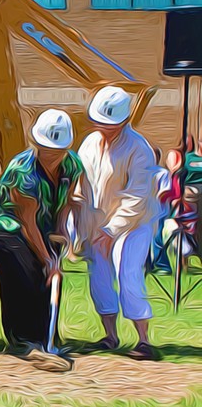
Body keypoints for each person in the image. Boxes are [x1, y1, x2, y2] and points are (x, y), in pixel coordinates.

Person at [0, 109, 84, 353]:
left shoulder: (73, 165)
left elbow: (66, 202)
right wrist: (48, 259)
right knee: (26, 271)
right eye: (44, 149)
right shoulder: (22, 170)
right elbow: (27, 221)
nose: (49, 155)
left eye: (55, 151)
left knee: (49, 277)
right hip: (3, 227)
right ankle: (23, 340)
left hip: (40, 227)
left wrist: (60, 234)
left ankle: (46, 338)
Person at [74, 86, 161, 361]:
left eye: (109, 124)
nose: (104, 128)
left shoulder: (139, 149)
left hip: (134, 224)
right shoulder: (88, 144)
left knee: (128, 273)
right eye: (99, 122)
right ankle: (110, 336)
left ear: (124, 122)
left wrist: (112, 230)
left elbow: (137, 196)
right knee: (99, 276)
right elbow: (81, 182)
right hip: (97, 222)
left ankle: (144, 340)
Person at [150, 149, 181, 275]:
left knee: (157, 238)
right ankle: (147, 265)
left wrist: (153, 196)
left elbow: (165, 192)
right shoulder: (141, 173)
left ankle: (163, 265)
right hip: (144, 211)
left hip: (158, 211)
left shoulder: (162, 173)